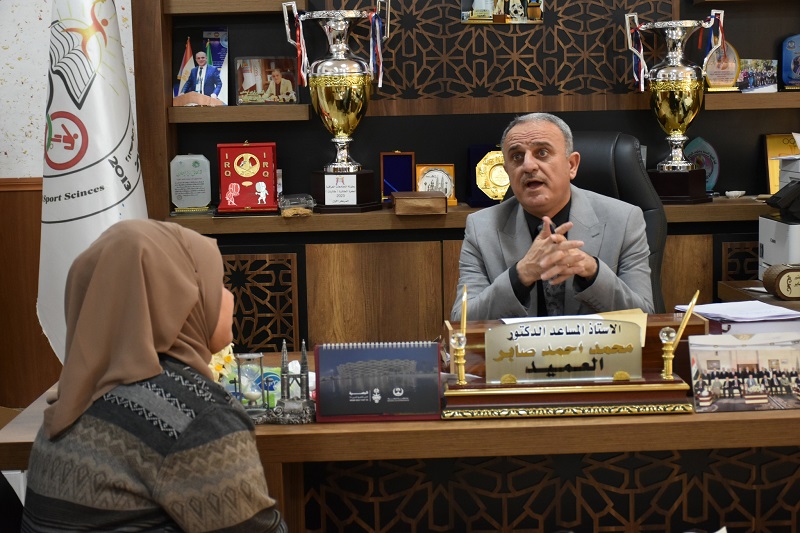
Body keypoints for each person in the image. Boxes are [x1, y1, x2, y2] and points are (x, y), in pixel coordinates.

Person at [21, 220, 287, 532]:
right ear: (176, 300)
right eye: (216, 283)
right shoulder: (196, 417)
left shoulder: (71, 402)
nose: (228, 297)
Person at [451, 112, 653, 322]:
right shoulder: (481, 228)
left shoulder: (625, 220)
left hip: (597, 353)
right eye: (517, 156)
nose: (528, 166)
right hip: (517, 353)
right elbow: (462, 322)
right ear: (508, 172)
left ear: (572, 165)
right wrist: (520, 275)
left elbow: (645, 317)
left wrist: (592, 271)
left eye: (542, 152)